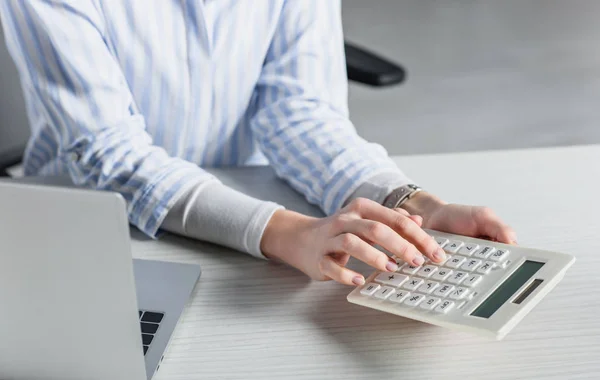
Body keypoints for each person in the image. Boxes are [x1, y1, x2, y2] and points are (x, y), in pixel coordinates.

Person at [0, 1, 516, 286]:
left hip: (255, 220)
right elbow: (112, 155)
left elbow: (298, 111)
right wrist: (285, 233)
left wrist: (408, 202)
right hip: (89, 229)